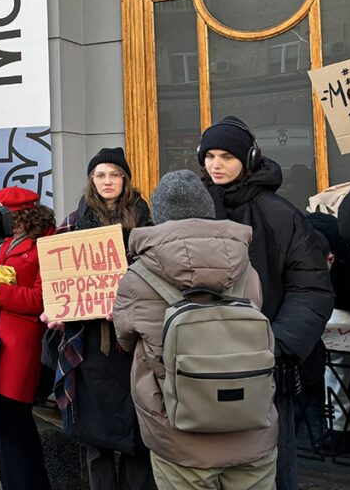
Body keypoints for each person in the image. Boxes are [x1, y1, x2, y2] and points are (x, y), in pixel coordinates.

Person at [113, 170, 278, 489]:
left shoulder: (138, 276)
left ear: (158, 218)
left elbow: (124, 339)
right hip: (251, 426)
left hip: (179, 434)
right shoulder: (245, 267)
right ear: (207, 212)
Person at [197, 117, 333, 490]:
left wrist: (277, 344)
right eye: (209, 155)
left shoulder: (280, 214)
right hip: (202, 367)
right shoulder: (195, 212)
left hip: (268, 368)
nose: (215, 164)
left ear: (249, 158)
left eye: (226, 155)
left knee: (272, 472)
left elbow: (311, 288)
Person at [43, 147, 154, 490]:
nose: (108, 181)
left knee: (138, 439)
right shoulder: (73, 222)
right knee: (95, 440)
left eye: (115, 174)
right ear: (92, 179)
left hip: (134, 346)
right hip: (89, 345)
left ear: (126, 179)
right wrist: (58, 309)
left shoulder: (146, 220)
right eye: (101, 175)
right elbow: (58, 277)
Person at [0, 186, 53, 490]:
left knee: (15, 421)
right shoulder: (12, 240)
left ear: (22, 216)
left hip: (20, 344)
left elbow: (40, 298)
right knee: (1, 419)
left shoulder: (44, 245)